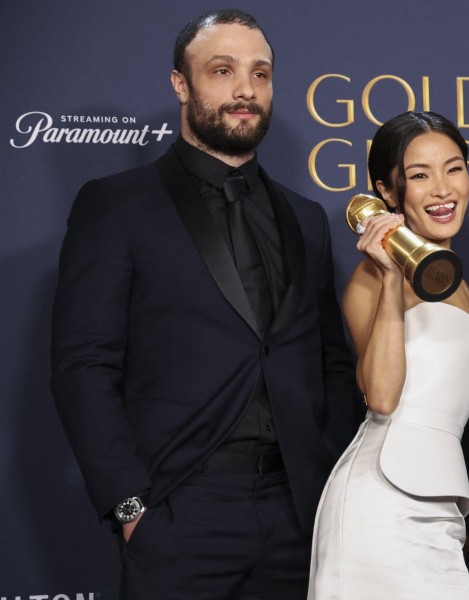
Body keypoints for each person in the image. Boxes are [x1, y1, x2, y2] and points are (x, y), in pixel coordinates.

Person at [50, 9, 358, 599]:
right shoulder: (117, 206)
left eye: (260, 74)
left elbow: (330, 363)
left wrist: (321, 481)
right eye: (223, 70)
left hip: (297, 515)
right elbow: (83, 366)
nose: (245, 89)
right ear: (181, 84)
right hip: (178, 512)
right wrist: (130, 505)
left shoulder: (306, 216)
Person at [307, 111, 469, 599]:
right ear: (388, 192)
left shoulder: (463, 285)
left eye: (454, 168)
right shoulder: (370, 280)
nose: (443, 190)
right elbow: (381, 397)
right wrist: (389, 277)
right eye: (420, 175)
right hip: (379, 509)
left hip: (441, 507)